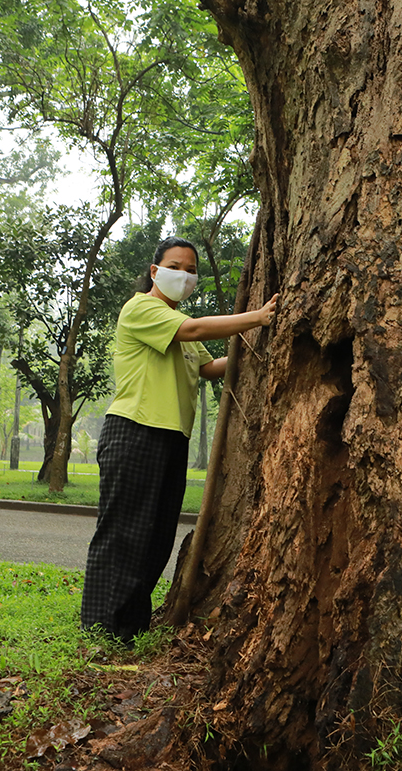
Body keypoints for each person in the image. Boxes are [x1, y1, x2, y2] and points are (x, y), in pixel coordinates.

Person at [80, 236, 278, 644]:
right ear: (155, 271)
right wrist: (257, 317)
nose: (183, 275)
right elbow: (196, 328)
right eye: (175, 266)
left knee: (156, 536)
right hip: (134, 430)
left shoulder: (177, 323)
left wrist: (267, 344)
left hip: (172, 438)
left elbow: (211, 367)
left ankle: (129, 626)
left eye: (191, 270)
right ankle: (99, 626)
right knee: (122, 532)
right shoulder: (143, 309)